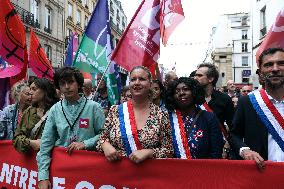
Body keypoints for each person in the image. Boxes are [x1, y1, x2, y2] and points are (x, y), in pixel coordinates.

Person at [37, 67, 105, 189]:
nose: (67, 87)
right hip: (61, 169)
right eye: (62, 84)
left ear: (78, 84)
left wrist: (86, 143)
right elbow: (45, 145)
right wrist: (43, 176)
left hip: (88, 169)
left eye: (70, 82)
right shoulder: (55, 110)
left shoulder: (94, 107)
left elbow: (105, 135)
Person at [97, 66, 173, 163]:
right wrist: (105, 145)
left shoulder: (161, 115)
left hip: (147, 175)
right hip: (117, 173)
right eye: (133, 79)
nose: (137, 83)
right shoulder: (115, 110)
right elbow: (102, 138)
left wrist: (150, 152)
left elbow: (168, 150)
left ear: (150, 84)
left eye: (141, 79)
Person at [229, 48, 284, 168]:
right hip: (260, 173)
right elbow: (234, 135)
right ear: (261, 73)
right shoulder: (247, 102)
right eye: (268, 65)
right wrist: (244, 150)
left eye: (281, 63)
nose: (275, 69)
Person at [165, 77, 224, 159]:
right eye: (177, 91)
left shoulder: (209, 117)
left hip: (204, 169)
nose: (181, 93)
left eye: (186, 89)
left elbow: (216, 151)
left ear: (194, 92)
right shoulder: (167, 119)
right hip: (175, 169)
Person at [13, 78, 58, 153]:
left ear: (45, 90)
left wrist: (48, 143)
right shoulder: (29, 111)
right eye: (30, 89)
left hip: (54, 159)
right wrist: (31, 143)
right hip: (31, 161)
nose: (30, 92)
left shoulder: (59, 110)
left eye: (34, 89)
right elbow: (17, 138)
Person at [194, 63, 234, 130]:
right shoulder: (192, 98)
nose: (195, 78)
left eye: (199, 75)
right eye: (195, 75)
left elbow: (232, 125)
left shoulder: (225, 99)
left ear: (211, 79)